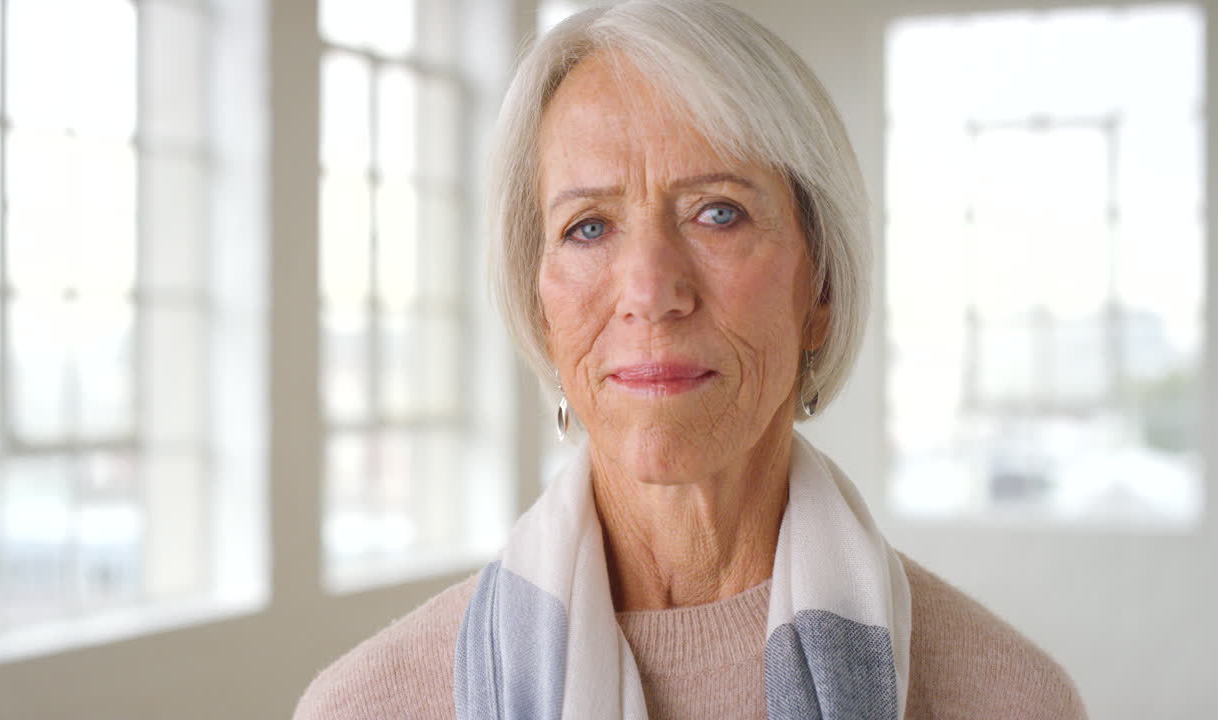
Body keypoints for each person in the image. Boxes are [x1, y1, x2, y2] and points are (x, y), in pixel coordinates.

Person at [294, 1, 1087, 718]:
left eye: (719, 212)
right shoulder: (363, 708)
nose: (650, 290)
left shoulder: (1009, 700)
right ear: (540, 305)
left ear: (822, 290)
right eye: (589, 227)